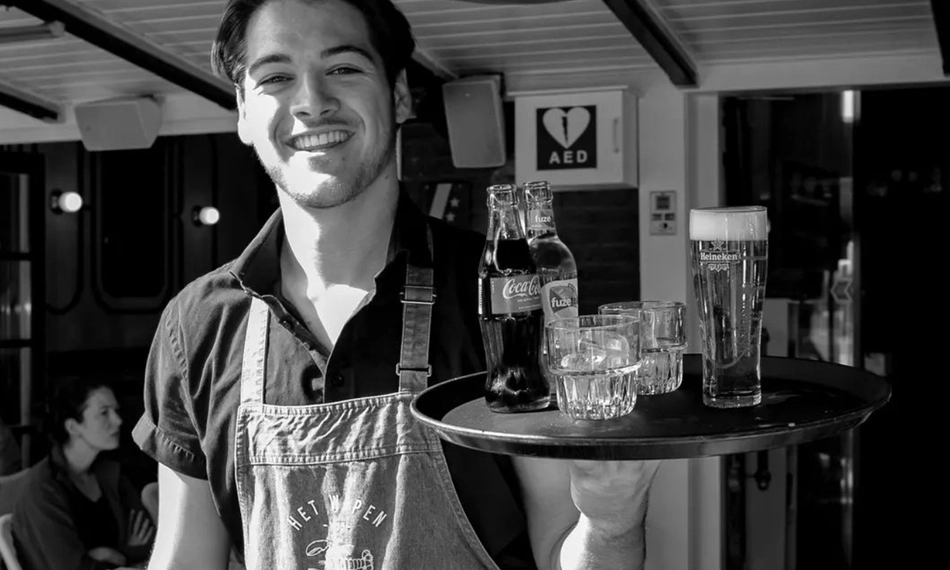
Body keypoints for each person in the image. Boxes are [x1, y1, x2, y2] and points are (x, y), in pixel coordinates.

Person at [132, 1, 660, 569]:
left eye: (343, 68)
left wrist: (612, 519)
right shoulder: (198, 325)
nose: (311, 101)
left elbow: (563, 553)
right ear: (242, 110)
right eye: (276, 77)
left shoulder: (505, 300)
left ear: (400, 94)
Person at [12, 376, 155, 570]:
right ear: (73, 426)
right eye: (104, 413)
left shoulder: (109, 473)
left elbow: (147, 541)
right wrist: (119, 555)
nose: (118, 420)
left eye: (116, 411)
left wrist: (117, 555)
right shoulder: (42, 489)